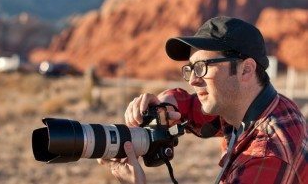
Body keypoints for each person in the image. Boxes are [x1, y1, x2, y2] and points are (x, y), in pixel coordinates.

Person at [98, 16, 307, 183]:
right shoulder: (251, 106)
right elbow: (189, 106)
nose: (193, 80)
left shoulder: (267, 156)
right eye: (190, 69)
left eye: (202, 68)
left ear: (246, 70)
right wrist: (163, 107)